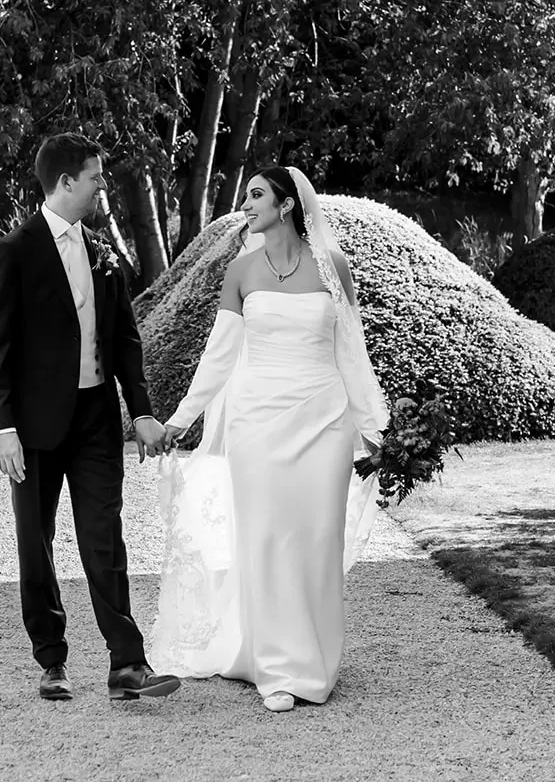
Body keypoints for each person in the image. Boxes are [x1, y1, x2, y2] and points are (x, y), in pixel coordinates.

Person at [151, 165, 388, 712]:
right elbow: (220, 356)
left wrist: (378, 432)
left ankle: (315, 664)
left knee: (315, 540)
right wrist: (181, 421)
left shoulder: (333, 267)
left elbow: (352, 352)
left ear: (286, 205)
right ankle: (277, 669)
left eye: (257, 195)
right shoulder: (241, 270)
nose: (247, 203)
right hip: (257, 422)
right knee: (266, 539)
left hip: (324, 421)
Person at [0, 132, 180, 703]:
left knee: (104, 537)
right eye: (94, 176)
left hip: (95, 418)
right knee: (35, 544)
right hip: (34, 427)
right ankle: (52, 660)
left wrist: (140, 411)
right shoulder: (13, 251)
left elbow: (124, 339)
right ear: (66, 182)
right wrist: (3, 429)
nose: (101, 186)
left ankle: (127, 664)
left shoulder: (104, 252)